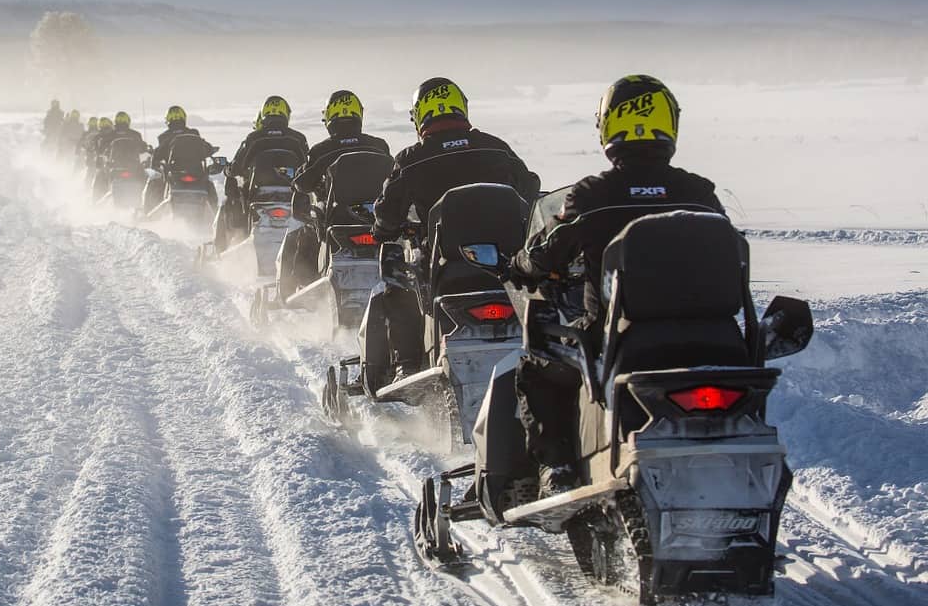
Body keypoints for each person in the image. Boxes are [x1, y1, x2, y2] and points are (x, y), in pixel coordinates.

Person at [510, 74, 725, 497]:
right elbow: (730, 252)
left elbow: (547, 250)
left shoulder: (594, 194)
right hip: (714, 343)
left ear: (609, 126)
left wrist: (520, 265)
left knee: (538, 367)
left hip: (619, 338)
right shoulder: (698, 192)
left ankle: (558, 469)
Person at [370, 77, 540, 381]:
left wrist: (386, 230)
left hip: (444, 269)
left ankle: (407, 363)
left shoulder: (411, 160)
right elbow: (530, 187)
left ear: (421, 114)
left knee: (396, 277)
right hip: (507, 267)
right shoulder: (496, 148)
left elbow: (385, 215)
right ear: (461, 107)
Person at [278, 90, 390, 296]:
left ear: (330, 117)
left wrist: (299, 182)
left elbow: (303, 184)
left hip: (337, 222)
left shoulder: (321, 150)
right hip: (378, 222)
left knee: (302, 233)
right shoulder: (379, 146)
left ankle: (295, 291)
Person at [214, 96, 309, 251]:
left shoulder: (254, 137)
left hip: (258, 195)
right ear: (286, 114)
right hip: (292, 196)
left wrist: (228, 170)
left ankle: (223, 247)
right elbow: (308, 167)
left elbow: (237, 168)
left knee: (231, 203)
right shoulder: (298, 138)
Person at [143, 105, 218, 214]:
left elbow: (158, 154)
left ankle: (148, 215)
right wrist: (211, 150)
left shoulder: (164, 137)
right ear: (183, 118)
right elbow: (206, 147)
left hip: (175, 174)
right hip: (196, 173)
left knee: (155, 182)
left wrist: (154, 162)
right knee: (209, 185)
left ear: (168, 120)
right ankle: (217, 218)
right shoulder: (194, 134)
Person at [92, 111, 149, 198]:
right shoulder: (135, 134)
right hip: (133, 167)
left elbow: (102, 149)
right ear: (128, 121)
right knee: (145, 179)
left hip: (114, 167)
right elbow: (143, 148)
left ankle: (96, 199)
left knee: (101, 177)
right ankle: (143, 199)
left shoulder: (109, 135)